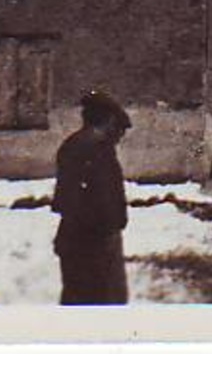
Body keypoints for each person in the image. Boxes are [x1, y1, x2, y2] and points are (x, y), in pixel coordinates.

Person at [52, 90, 132, 305]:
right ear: (108, 121)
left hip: (82, 238)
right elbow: (99, 199)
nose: (118, 137)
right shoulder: (95, 149)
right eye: (118, 130)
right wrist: (109, 231)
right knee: (97, 304)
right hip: (92, 243)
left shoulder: (75, 145)